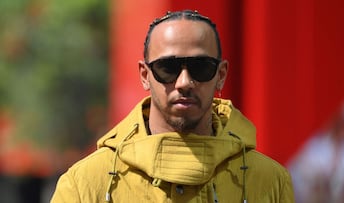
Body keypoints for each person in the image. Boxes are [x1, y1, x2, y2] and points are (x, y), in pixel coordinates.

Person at [51, 10, 294, 203]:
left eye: (201, 67)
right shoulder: (85, 184)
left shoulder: (269, 182)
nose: (184, 82)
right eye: (167, 68)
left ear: (221, 74)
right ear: (145, 75)